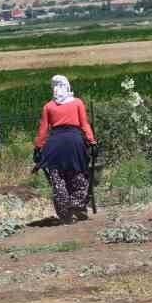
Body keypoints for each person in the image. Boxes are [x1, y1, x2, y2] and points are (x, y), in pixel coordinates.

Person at [33, 74, 96, 224]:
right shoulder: (77, 103)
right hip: (75, 143)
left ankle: (65, 212)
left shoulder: (48, 106)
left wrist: (37, 147)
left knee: (57, 179)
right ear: (68, 86)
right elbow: (84, 124)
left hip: (54, 145)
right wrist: (92, 142)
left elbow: (43, 130)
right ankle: (76, 205)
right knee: (78, 175)